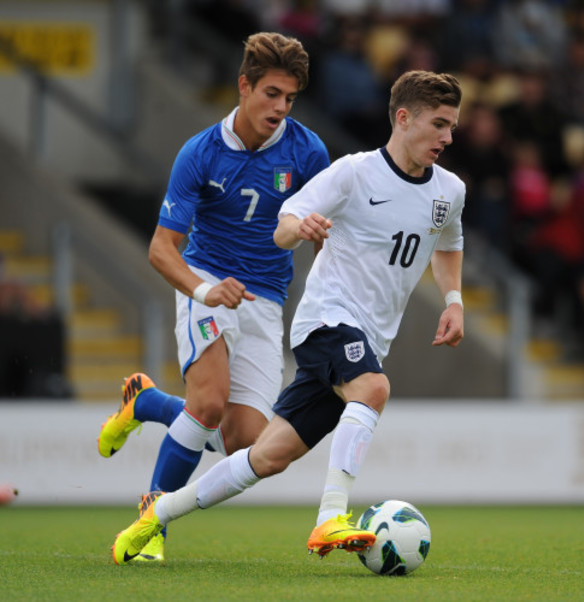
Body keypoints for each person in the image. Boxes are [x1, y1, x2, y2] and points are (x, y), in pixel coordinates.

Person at [111, 69, 466, 565]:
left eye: (452, 126)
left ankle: (157, 515)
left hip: (369, 336)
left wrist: (453, 301)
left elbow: (448, 244)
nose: (448, 137)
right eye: (439, 124)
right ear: (404, 119)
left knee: (263, 454)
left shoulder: (450, 190)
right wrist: (303, 227)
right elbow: (283, 226)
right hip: (325, 319)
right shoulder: (354, 172)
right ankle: (330, 517)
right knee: (373, 389)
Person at [97, 31, 330, 562]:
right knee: (206, 402)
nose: (280, 107)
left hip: (266, 299)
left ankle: (147, 403)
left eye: (290, 98)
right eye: (271, 93)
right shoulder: (199, 153)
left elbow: (326, 234)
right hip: (206, 283)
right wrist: (204, 289)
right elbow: (161, 249)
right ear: (243, 86)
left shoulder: (309, 151)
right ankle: (151, 524)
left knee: (247, 444)